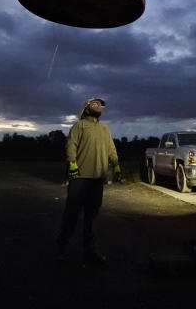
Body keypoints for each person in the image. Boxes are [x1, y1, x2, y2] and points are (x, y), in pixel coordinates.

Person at [56, 97, 121, 264]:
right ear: (86, 108)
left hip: (98, 178)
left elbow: (111, 149)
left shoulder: (105, 129)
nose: (98, 106)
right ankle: (61, 248)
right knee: (71, 215)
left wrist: (116, 165)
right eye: (94, 104)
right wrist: (72, 163)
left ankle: (90, 250)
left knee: (91, 217)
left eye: (100, 105)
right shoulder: (79, 126)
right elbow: (71, 145)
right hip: (80, 177)